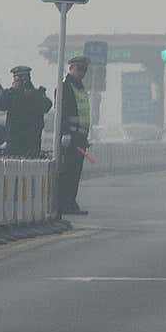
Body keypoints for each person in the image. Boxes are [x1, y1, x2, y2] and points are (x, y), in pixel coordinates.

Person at [55, 55, 93, 216]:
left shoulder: (81, 88)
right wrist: (64, 133)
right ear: (70, 68)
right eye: (79, 68)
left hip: (81, 137)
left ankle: (71, 201)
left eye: (84, 69)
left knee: (76, 172)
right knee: (68, 171)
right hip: (70, 137)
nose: (82, 72)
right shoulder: (64, 87)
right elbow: (61, 113)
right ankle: (65, 202)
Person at [0, 65, 51, 158]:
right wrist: (13, 90)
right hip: (14, 141)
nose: (22, 82)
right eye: (18, 78)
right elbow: (0, 104)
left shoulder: (36, 93)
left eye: (24, 78)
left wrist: (33, 95)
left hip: (32, 141)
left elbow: (47, 105)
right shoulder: (10, 94)